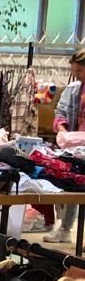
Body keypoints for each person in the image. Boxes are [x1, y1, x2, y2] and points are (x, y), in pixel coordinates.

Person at [45, 48, 85, 243]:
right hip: (74, 147)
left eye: (79, 70)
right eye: (73, 70)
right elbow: (60, 112)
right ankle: (65, 230)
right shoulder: (73, 89)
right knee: (72, 185)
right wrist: (62, 128)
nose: (75, 75)